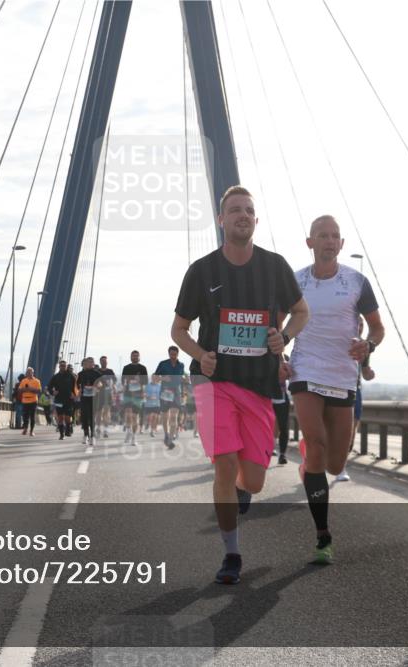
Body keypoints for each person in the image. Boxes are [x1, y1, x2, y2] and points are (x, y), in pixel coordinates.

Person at [172, 185, 309, 584]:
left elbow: (301, 311)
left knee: (253, 479)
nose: (242, 215)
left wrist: (284, 335)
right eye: (234, 210)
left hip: (258, 387)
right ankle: (231, 554)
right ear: (221, 219)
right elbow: (179, 329)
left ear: (255, 219)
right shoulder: (202, 271)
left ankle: (241, 490)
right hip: (214, 385)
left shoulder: (275, 266)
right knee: (224, 465)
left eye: (248, 210)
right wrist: (200, 356)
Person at [290, 214, 384, 564]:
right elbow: (277, 323)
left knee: (334, 462)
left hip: (343, 375)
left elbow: (377, 328)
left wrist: (369, 346)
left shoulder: (357, 282)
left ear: (341, 244)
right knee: (315, 446)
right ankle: (322, 536)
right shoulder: (295, 281)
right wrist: (280, 357)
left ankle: (312, 460)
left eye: (335, 236)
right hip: (305, 370)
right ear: (310, 242)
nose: (329, 241)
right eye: (322, 235)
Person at [339, 318, 376, 481]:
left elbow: (366, 372)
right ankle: (316, 460)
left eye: (362, 325)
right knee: (332, 430)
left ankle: (341, 466)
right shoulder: (338, 340)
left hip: (355, 390)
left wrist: (369, 373)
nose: (359, 327)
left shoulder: (363, 346)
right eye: (357, 324)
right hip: (335, 387)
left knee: (351, 432)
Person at [155, 346, 185, 449]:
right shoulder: (163, 364)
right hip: (165, 392)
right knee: (165, 416)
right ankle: (166, 434)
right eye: (171, 354)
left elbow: (180, 378)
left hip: (176, 392)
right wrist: (163, 377)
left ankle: (170, 440)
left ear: (178, 354)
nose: (173, 356)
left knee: (174, 416)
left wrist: (184, 380)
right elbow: (154, 378)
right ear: (168, 354)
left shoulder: (181, 365)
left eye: (175, 354)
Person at [121, 351, 148, 446]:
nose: (135, 357)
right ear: (130, 357)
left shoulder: (143, 368)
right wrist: (124, 388)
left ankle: (133, 437)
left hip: (138, 395)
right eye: (133, 355)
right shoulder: (126, 368)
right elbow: (123, 381)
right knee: (128, 414)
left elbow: (145, 382)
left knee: (135, 417)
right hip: (128, 394)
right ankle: (128, 431)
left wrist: (140, 384)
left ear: (139, 357)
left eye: (137, 356)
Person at [76, 357, 103, 445]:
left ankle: (92, 436)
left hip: (94, 398)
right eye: (89, 362)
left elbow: (102, 383)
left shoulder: (97, 373)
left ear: (94, 364)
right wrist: (79, 390)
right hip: (84, 397)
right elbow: (77, 385)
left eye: (92, 362)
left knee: (91, 417)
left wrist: (98, 386)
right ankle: (85, 435)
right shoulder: (80, 374)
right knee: (84, 416)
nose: (90, 363)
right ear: (85, 363)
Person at [272, 371, 291, 465]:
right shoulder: (262, 356)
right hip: (264, 396)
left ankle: (282, 454)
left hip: (281, 397)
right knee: (265, 426)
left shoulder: (283, 359)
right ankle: (268, 449)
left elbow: (289, 374)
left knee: (283, 427)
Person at [96, 355, 116, 438]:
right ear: (100, 362)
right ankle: (98, 428)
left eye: (105, 361)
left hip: (108, 394)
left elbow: (114, 382)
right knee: (99, 413)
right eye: (102, 361)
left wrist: (113, 391)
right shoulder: (96, 371)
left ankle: (106, 430)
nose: (104, 362)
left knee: (106, 413)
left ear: (107, 362)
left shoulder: (110, 371)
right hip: (98, 394)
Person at [18, 367, 42, 435]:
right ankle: (25, 428)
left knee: (32, 416)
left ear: (33, 373)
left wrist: (31, 389)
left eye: (30, 372)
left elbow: (39, 391)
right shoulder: (23, 381)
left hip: (33, 400)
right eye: (27, 372)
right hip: (25, 400)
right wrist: (25, 389)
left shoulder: (37, 381)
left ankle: (31, 431)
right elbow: (19, 390)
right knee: (25, 416)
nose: (28, 373)